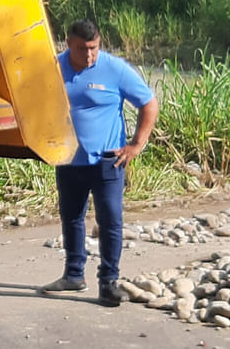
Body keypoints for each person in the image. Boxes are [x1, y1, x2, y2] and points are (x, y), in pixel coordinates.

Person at [40, 17, 158, 305]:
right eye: (83, 48)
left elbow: (149, 103)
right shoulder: (53, 69)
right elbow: (35, 104)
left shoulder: (115, 69)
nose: (89, 55)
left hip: (108, 161)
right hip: (68, 158)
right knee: (72, 217)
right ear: (68, 43)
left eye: (94, 47)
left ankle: (109, 282)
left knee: (110, 220)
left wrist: (136, 145)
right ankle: (73, 275)